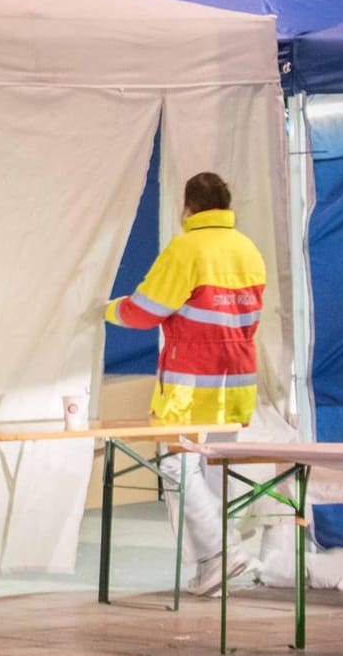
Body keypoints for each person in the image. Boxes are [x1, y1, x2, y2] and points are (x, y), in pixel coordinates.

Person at [106, 170, 265, 595]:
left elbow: (145, 310)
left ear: (188, 208)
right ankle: (215, 562)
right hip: (238, 382)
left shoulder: (186, 248)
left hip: (191, 384)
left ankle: (219, 553)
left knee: (177, 465)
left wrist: (104, 311)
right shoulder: (248, 249)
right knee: (215, 471)